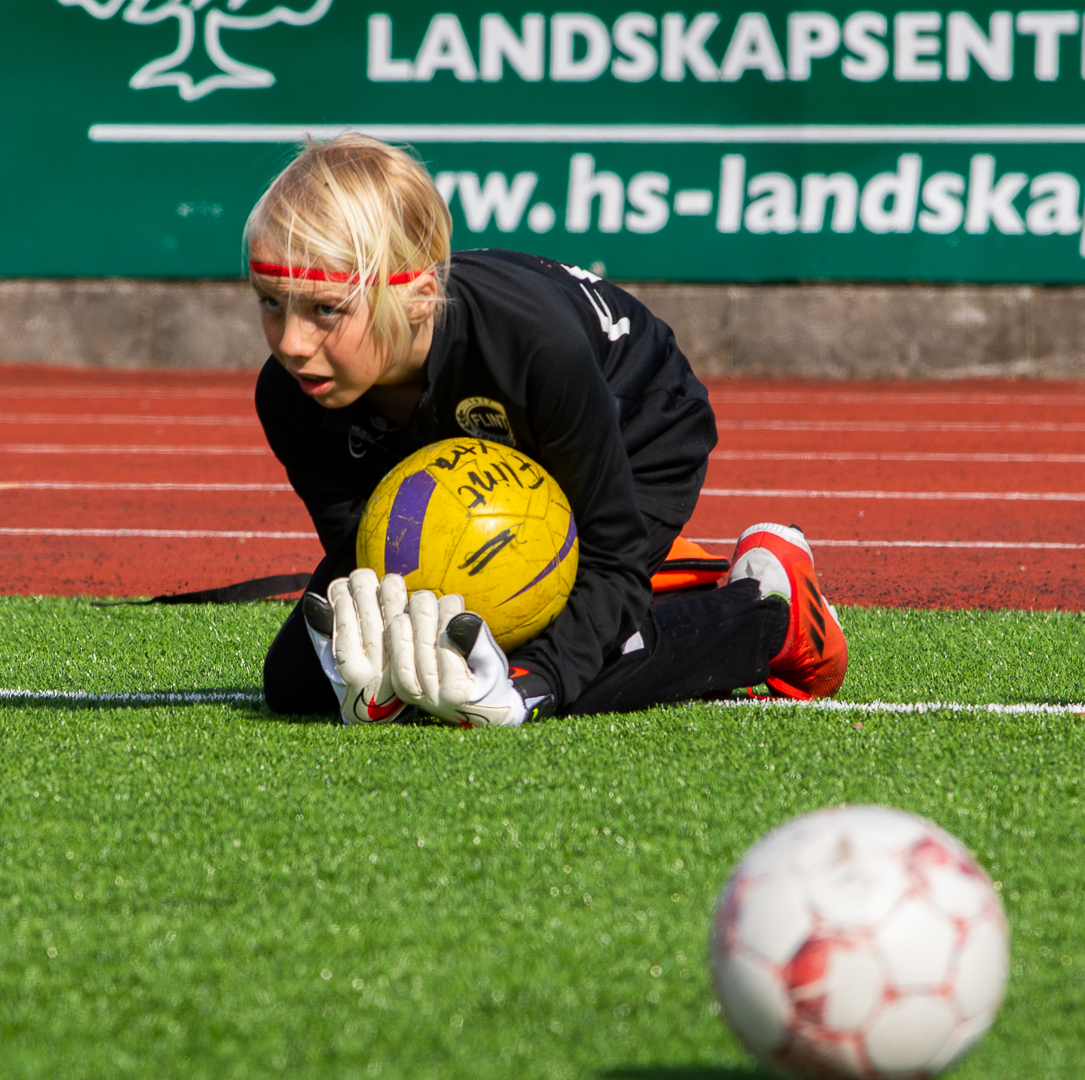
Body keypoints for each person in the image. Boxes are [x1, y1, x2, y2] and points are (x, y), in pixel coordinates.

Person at [248, 133, 847, 724]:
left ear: (420, 298)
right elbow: (369, 557)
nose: (293, 344)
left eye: (326, 309)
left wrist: (531, 685)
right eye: (272, 303)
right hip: (485, 493)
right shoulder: (291, 394)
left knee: (564, 672)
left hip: (638, 422)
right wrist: (383, 661)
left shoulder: (537, 348)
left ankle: (773, 613)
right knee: (299, 681)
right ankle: (609, 584)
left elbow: (611, 563)